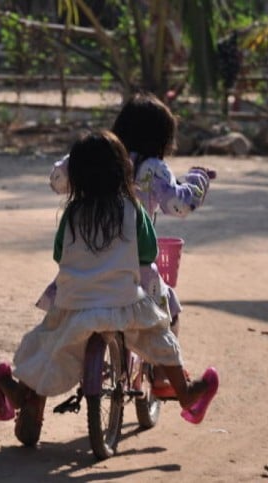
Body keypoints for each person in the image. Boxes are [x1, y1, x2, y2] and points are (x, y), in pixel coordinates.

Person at [0, 130, 219, 447]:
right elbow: (148, 253)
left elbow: (59, 255)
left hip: (73, 304)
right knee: (159, 337)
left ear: (79, 175)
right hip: (123, 304)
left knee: (49, 351)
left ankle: (21, 395)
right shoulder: (133, 210)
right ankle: (185, 392)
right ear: (122, 170)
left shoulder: (71, 213)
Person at [48, 92, 215, 398]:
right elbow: (179, 206)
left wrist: (75, 160)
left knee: (57, 319)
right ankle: (164, 376)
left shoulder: (97, 157)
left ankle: (36, 397)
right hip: (133, 267)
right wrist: (198, 180)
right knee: (169, 312)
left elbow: (58, 179)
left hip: (87, 261)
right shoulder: (154, 169)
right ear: (162, 138)